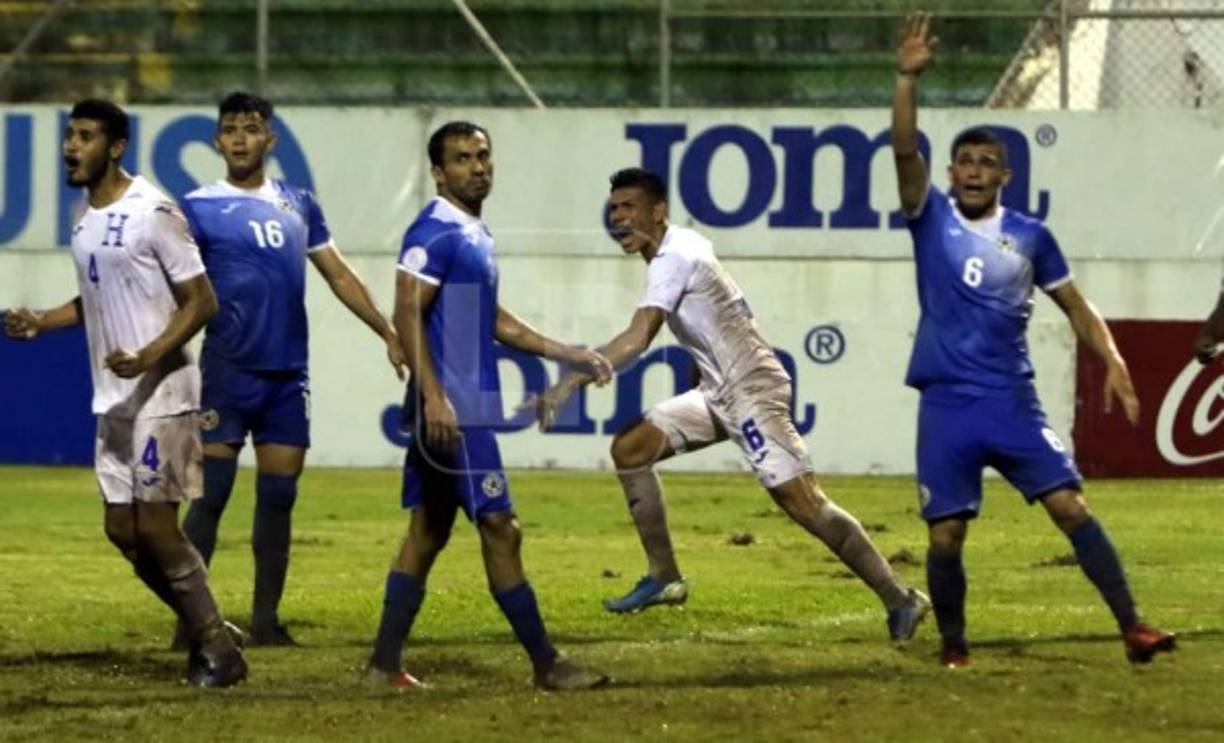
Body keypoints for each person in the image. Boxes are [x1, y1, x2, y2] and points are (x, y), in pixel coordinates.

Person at [532, 167, 931, 644]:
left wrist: (571, 380)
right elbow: (729, 310)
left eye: (629, 207)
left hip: (751, 390)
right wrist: (702, 367)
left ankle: (899, 597)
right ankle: (664, 576)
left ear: (657, 212)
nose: (618, 218)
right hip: (720, 390)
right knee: (631, 449)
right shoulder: (685, 244)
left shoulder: (670, 259)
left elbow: (639, 337)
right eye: (614, 209)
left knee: (805, 503)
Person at [890, 13, 1175, 667]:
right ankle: (954, 645)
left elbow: (1075, 303)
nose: (971, 171)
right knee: (946, 536)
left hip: (1011, 400)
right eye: (963, 161)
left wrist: (1113, 358)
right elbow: (905, 150)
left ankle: (1134, 626)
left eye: (986, 163)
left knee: (1071, 506)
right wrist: (906, 80)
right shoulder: (928, 216)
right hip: (947, 404)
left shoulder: (1031, 235)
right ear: (952, 171)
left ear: (1005, 177)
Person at [3, 99, 246, 686]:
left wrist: (148, 355)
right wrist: (42, 320)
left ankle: (218, 649)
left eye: (84, 136)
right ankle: (208, 622)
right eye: (69, 136)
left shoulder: (153, 210)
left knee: (158, 527)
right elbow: (97, 302)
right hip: (113, 397)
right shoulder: (84, 219)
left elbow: (202, 300)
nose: (70, 146)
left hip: (162, 391)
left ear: (114, 147)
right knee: (122, 530)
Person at [365, 121, 611, 691]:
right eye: (462, 158)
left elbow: (490, 317)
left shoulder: (473, 233)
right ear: (438, 172)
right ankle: (548, 664)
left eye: (483, 155)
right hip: (457, 409)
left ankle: (382, 664)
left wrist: (563, 350)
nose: (478, 166)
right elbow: (407, 313)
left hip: (462, 403)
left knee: (427, 532)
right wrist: (435, 397)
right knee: (501, 527)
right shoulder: (434, 231)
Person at [177, 92, 405, 647]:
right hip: (226, 371)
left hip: (286, 377)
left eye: (249, 128)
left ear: (268, 140)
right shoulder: (196, 206)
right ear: (216, 141)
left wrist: (387, 330)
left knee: (278, 499)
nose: (238, 137)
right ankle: (189, 624)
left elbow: (340, 276)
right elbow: (176, 285)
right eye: (229, 128)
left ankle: (265, 622)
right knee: (211, 498)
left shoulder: (299, 203)